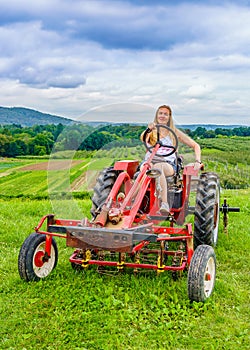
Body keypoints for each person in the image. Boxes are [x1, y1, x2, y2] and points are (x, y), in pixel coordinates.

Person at [140, 105, 202, 214]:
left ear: (169, 117)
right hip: (149, 161)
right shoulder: (151, 132)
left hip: (167, 163)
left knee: (158, 167)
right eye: (160, 113)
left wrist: (198, 161)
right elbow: (143, 138)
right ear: (157, 115)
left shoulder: (174, 133)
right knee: (144, 171)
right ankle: (131, 203)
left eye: (165, 114)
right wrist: (149, 130)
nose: (162, 116)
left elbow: (195, 145)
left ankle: (164, 203)